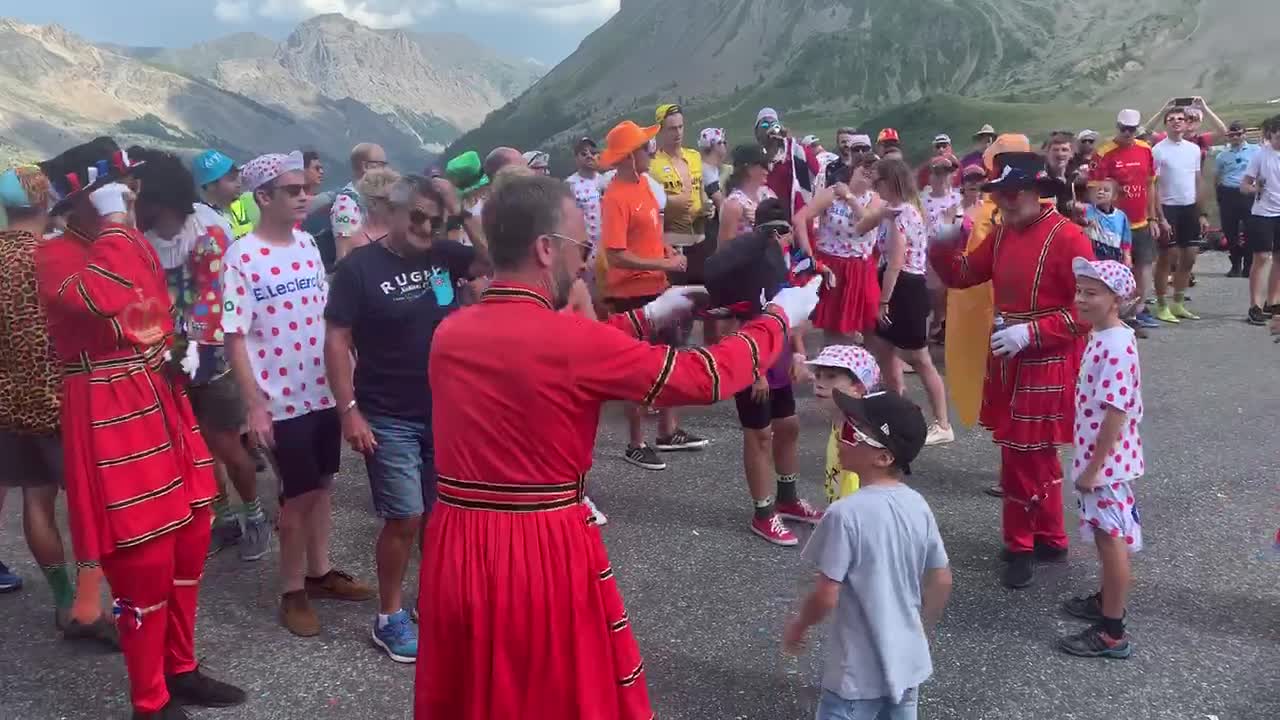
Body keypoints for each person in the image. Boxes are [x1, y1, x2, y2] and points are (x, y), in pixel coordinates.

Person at [413, 172, 820, 719]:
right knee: (547, 695)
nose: (585, 262)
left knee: (473, 693)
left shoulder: (451, 333)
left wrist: (647, 316)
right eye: (580, 247)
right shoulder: (571, 342)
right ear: (544, 248)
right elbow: (703, 376)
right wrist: (777, 320)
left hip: (457, 541)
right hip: (536, 547)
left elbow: (547, 355)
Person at [35, 137, 245, 719]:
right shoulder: (54, 253)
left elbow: (150, 307)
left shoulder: (121, 241)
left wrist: (182, 346)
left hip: (158, 392)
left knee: (191, 531)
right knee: (142, 555)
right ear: (91, 197)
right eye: (119, 188)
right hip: (107, 403)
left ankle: (179, 669)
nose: (132, 197)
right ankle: (148, 701)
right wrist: (114, 222)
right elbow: (106, 297)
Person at [324, 174, 482, 663]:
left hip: (446, 410)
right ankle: (389, 617)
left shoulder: (445, 256)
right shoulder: (359, 269)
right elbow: (336, 340)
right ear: (390, 212)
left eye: (435, 221)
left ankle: (431, 603)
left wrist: (460, 212)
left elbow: (495, 256)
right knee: (405, 516)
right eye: (417, 216)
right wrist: (349, 412)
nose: (425, 227)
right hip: (388, 415)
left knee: (440, 517)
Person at [222, 151, 374, 638]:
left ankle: (320, 570)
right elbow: (234, 335)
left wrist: (348, 374)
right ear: (263, 197)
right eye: (292, 190)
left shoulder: (309, 243)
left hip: (323, 391)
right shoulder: (241, 256)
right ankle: (292, 590)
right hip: (281, 400)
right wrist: (253, 403)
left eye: (304, 188)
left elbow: (324, 317)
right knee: (297, 497)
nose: (305, 194)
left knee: (324, 484)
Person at [931, 151, 1096, 589]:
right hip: (1009, 356)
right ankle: (1052, 535)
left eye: (1010, 193)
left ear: (1034, 192)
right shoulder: (1002, 234)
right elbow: (964, 274)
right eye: (999, 194)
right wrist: (944, 239)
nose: (1003, 202)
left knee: (1024, 454)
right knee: (1030, 452)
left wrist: (1033, 333)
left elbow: (1088, 309)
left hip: (1048, 357)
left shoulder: (1070, 238)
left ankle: (1021, 543)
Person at [133, 149, 269, 562]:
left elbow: (219, 294)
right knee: (193, 448)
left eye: (141, 194)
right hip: (167, 357)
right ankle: (222, 518)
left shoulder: (208, 227)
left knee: (228, 445)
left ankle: (255, 515)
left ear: (160, 195)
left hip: (212, 357)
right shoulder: (143, 240)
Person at [0, 165, 117, 645]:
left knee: (36, 500)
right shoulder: (55, 257)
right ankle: (91, 607)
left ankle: (64, 598)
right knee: (90, 506)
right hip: (64, 398)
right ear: (45, 201)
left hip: (8, 402)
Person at [783, 390, 952, 720]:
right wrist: (921, 629)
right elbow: (942, 578)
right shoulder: (918, 505)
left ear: (883, 457)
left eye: (850, 433)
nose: (840, 439)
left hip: (855, 677)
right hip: (907, 665)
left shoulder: (845, 514)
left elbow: (827, 594)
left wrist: (799, 625)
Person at [597, 120, 708, 470]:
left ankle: (667, 431)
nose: (651, 151)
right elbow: (615, 253)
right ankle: (635, 442)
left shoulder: (645, 184)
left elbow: (654, 232)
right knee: (638, 367)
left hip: (656, 285)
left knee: (669, 357)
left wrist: (669, 255)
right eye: (645, 148)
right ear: (630, 157)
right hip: (630, 295)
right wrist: (659, 262)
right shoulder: (615, 197)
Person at [1057, 258, 1144, 660]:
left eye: (1092, 293)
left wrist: (1092, 470)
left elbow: (1116, 411)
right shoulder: (1106, 335)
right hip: (1104, 460)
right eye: (1080, 291)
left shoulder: (1114, 346)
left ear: (1116, 299)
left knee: (1112, 541)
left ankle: (1112, 632)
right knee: (1108, 536)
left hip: (1105, 465)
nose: (1081, 299)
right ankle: (1106, 599)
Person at [730, 199, 825, 546]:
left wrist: (799, 355)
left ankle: (787, 498)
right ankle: (763, 513)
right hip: (752, 361)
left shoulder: (785, 265)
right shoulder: (747, 266)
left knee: (788, 426)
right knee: (759, 435)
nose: (782, 239)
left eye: (785, 232)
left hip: (779, 357)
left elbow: (792, 312)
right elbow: (738, 322)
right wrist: (755, 370)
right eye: (774, 233)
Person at [854, 157, 953, 446]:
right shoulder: (892, 210)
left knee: (920, 359)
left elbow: (897, 261)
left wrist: (883, 301)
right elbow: (862, 226)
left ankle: (943, 423)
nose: (875, 186)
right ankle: (894, 417)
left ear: (891, 182)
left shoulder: (905, 214)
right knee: (884, 354)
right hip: (893, 281)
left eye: (879, 181)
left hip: (905, 286)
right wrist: (863, 203)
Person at [794, 153, 881, 345]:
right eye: (864, 166)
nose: (868, 171)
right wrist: (809, 257)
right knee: (834, 331)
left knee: (872, 327)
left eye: (874, 169)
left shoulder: (875, 200)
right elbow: (800, 218)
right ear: (854, 168)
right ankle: (832, 369)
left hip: (860, 269)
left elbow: (868, 221)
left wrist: (849, 197)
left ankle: (865, 369)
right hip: (831, 266)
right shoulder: (831, 193)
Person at [1093, 109, 1160, 330]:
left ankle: (1139, 310)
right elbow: (1095, 190)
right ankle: (1115, 313)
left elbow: (1150, 185)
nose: (1128, 133)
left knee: (1144, 266)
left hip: (1141, 221)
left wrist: (1152, 217)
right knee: (1119, 269)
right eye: (1123, 129)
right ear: (1117, 126)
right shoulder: (1104, 153)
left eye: (1132, 129)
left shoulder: (1145, 149)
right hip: (1115, 222)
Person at [1150, 106, 1206, 323]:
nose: (1176, 122)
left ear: (1186, 123)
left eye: (1180, 119)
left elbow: (1197, 180)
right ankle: (1162, 304)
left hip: (1189, 208)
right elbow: (1152, 186)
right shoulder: (1158, 150)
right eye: (1171, 119)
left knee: (1189, 257)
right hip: (1168, 207)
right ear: (1166, 124)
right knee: (1168, 257)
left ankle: (1178, 303)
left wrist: (1202, 212)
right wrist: (1160, 216)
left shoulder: (1193, 149)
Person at [806, 344, 881, 503]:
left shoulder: (859, 436)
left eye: (831, 376)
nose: (819, 383)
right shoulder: (839, 422)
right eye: (818, 375)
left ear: (858, 387)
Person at [651, 103, 712, 283]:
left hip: (700, 239)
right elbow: (651, 207)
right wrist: (673, 203)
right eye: (671, 129)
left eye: (680, 127)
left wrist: (707, 206)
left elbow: (700, 190)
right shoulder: (653, 164)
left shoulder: (694, 156)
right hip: (674, 243)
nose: (677, 133)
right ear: (660, 130)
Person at [1242, 115, 1280, 326]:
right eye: (1278, 136)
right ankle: (1254, 305)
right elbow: (1244, 185)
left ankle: (1273, 302)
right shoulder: (1260, 155)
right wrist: (1255, 188)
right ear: (1271, 134)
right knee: (1262, 258)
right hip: (1263, 213)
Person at [756, 107, 821, 222]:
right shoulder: (753, 158)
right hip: (764, 217)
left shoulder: (792, 152)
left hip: (794, 215)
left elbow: (815, 170)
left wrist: (790, 141)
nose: (770, 128)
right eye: (765, 125)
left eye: (774, 125)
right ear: (756, 132)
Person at [1213, 121, 1259, 277]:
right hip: (1228, 193)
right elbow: (1217, 176)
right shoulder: (1222, 156)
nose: (1235, 137)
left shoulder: (1255, 151)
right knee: (1229, 230)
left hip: (1248, 194)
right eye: (1231, 135)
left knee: (1251, 230)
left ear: (1244, 134)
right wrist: (1218, 194)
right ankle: (1235, 265)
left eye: (1238, 134)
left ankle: (1248, 266)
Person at [331, 142, 388, 262]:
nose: (385, 171)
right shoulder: (346, 203)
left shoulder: (369, 199)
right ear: (365, 166)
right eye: (381, 165)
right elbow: (345, 254)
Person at [192, 149, 257, 240]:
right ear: (210, 185)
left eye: (238, 176)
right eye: (232, 179)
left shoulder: (238, 205)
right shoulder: (199, 219)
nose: (238, 184)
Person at [349, 167, 400, 253]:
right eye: (393, 201)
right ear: (373, 203)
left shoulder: (404, 237)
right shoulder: (359, 243)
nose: (400, 206)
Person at [1084, 179, 1133, 265]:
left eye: (1106, 190)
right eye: (1099, 190)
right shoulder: (1088, 210)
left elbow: (1126, 239)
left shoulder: (1121, 216)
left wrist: (1127, 256)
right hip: (1093, 259)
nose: (1101, 192)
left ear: (1114, 196)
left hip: (1114, 259)